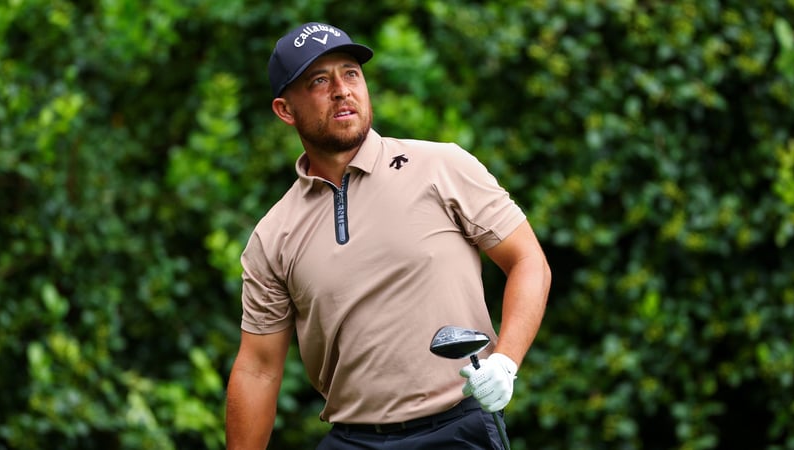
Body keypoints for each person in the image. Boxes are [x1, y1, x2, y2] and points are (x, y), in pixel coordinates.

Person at [225, 21, 551, 450]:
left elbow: (528, 261)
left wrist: (506, 361)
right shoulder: (273, 236)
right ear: (285, 110)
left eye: (351, 73)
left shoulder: (441, 167)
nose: (342, 90)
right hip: (352, 439)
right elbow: (259, 369)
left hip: (457, 429)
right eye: (320, 81)